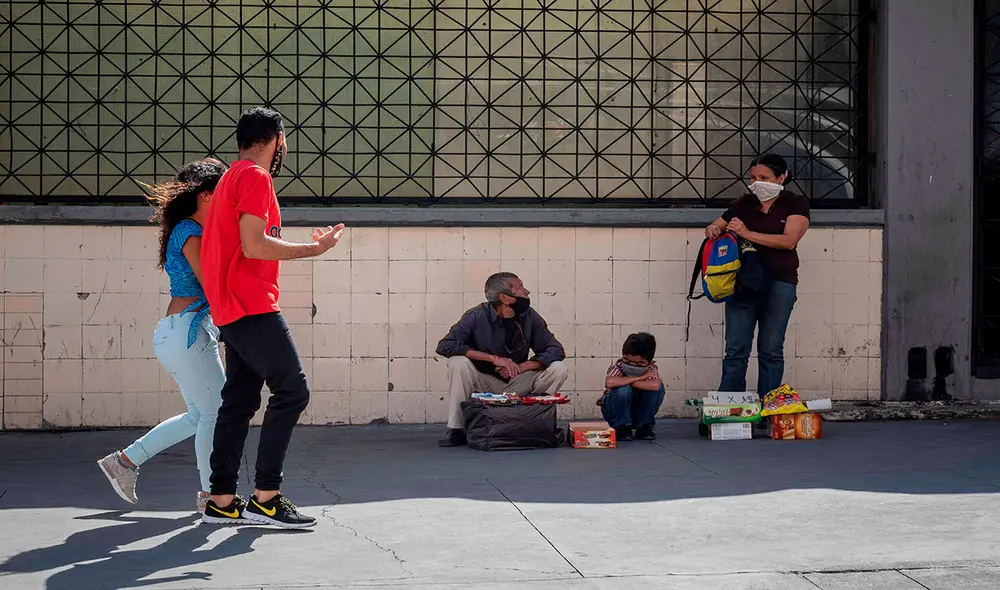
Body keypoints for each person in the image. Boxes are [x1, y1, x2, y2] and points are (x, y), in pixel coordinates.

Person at [199, 107, 345, 529]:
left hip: (231, 309)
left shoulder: (230, 177)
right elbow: (254, 245)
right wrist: (314, 249)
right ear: (278, 139)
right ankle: (266, 498)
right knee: (293, 391)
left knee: (239, 402)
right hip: (251, 306)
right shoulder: (255, 177)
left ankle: (222, 501)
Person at [98, 158, 228, 511]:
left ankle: (124, 461)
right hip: (187, 332)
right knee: (214, 413)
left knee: (199, 415)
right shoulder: (190, 230)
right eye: (225, 191)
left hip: (181, 332)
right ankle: (211, 495)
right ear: (206, 195)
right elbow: (212, 284)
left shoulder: (194, 230)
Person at [704, 154, 810, 405]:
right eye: (753, 177)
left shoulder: (795, 203)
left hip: (779, 281)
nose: (757, 182)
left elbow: (789, 241)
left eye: (764, 177)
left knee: (771, 349)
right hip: (743, 282)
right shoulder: (744, 203)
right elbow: (715, 226)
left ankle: (769, 408)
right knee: (736, 349)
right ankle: (730, 408)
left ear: (782, 177)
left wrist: (747, 233)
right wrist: (714, 230)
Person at [435, 272, 569, 447]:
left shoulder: (529, 316)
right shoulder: (476, 315)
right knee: (457, 363)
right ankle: (457, 429)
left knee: (559, 368)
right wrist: (494, 359)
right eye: (520, 287)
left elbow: (556, 349)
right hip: (485, 383)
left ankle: (532, 421)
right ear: (504, 298)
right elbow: (446, 345)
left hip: (517, 380)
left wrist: (523, 367)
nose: (526, 292)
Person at [598, 332, 665, 441]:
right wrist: (639, 378)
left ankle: (644, 426)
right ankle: (622, 428)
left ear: (648, 362)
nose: (632, 366)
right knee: (622, 390)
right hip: (616, 412)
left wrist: (624, 381)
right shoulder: (619, 366)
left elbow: (655, 386)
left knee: (656, 390)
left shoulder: (651, 368)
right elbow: (609, 382)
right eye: (627, 361)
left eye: (639, 364)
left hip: (637, 410)